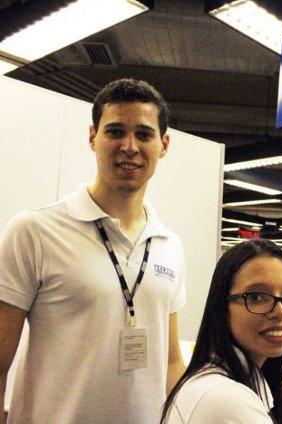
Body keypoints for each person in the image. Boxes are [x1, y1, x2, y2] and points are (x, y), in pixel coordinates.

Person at [0, 79, 186, 423]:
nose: (129, 146)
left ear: (163, 145)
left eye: (143, 134)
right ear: (92, 138)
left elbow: (171, 361)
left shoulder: (169, 244)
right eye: (115, 132)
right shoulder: (34, 231)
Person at [161, 239, 282, 423]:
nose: (281, 311)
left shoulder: (213, 380)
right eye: (257, 297)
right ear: (221, 308)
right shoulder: (227, 400)